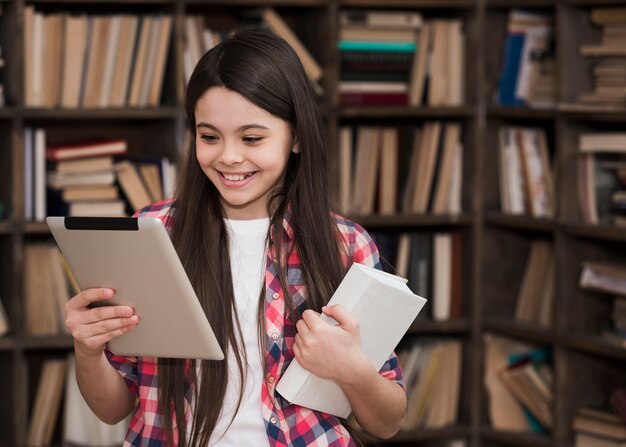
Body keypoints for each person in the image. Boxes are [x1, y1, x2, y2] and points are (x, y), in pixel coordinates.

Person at [64, 28, 406, 447]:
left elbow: (387, 422)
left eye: (251, 138)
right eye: (209, 137)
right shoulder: (154, 234)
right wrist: (88, 350)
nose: (228, 156)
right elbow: (113, 407)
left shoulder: (345, 244)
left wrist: (352, 369)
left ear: (296, 136)